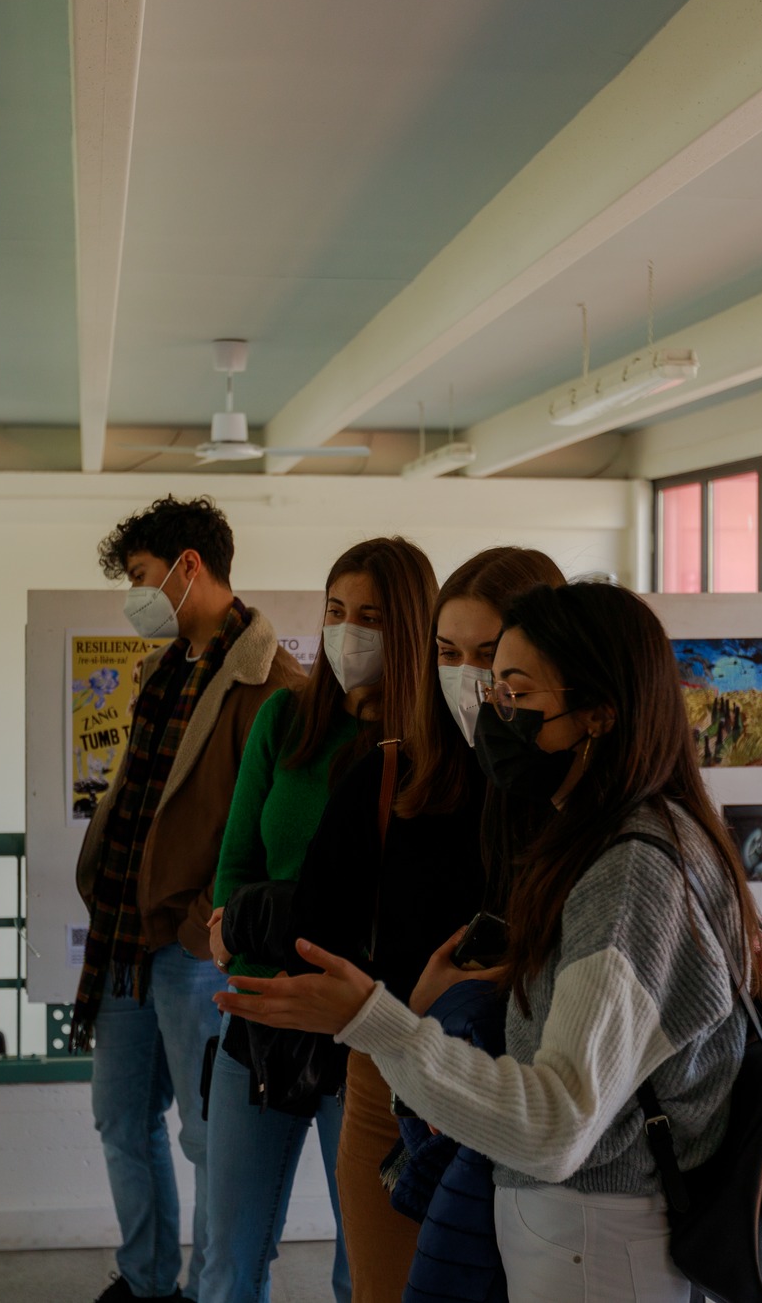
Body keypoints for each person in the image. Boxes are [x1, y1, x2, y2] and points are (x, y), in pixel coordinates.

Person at [215, 582, 762, 1303]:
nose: (491, 713)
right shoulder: (619, 839)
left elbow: (556, 1123)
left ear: (599, 711)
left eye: (513, 691)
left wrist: (373, 1019)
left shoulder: (630, 871)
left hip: (595, 1237)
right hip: (584, 1229)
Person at [220, 547, 565, 1303]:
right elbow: (317, 919)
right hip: (397, 1085)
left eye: (490, 653)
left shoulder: (580, 794)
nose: (470, 675)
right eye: (450, 652)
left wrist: (475, 983)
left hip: (542, 1093)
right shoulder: (387, 771)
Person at [70, 495, 306, 1303]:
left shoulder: (271, 684)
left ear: (188, 567)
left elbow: (272, 831)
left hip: (195, 947)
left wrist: (208, 917)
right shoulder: (165, 668)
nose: (135, 595)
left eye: (141, 576)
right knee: (121, 1122)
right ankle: (146, 1282)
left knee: (212, 1138)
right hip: (128, 941)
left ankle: (220, 1290)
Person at [202, 536, 437, 1303]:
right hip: (261, 1018)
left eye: (370, 616)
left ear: (408, 628)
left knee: (362, 1267)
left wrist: (253, 922)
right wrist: (238, 934)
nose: (348, 631)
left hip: (364, 1029)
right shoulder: (285, 720)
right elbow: (236, 872)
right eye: (336, 611)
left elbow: (384, 911)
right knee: (227, 1258)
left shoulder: (431, 753)